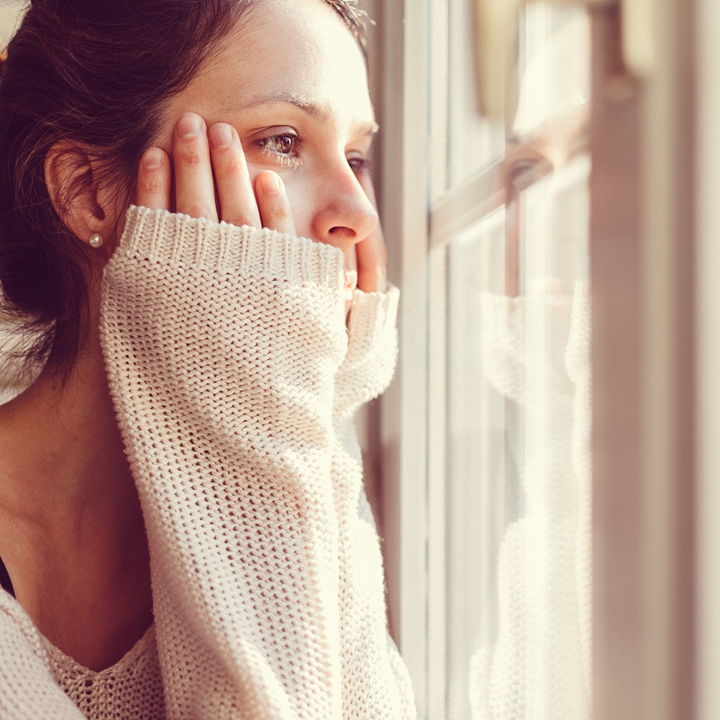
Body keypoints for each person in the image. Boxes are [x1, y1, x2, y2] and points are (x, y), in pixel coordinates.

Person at [0, 0, 416, 717]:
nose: (358, 213)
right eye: (282, 141)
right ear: (88, 193)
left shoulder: (298, 481)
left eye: (356, 157)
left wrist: (311, 418)